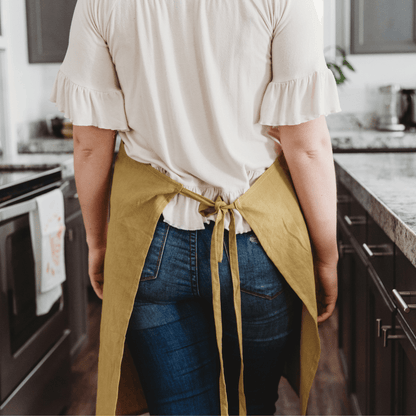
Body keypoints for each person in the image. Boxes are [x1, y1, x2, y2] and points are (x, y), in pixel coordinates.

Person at [51, 0, 341, 415]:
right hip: (258, 244)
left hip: (153, 243)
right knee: (254, 405)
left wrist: (98, 243)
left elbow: (90, 143)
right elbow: (307, 146)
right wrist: (325, 256)